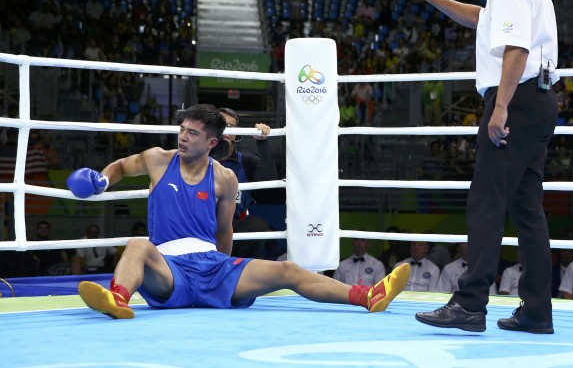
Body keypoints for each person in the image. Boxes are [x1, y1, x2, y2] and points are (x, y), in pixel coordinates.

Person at [67, 104, 409, 319]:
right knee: (137, 245)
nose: (183, 137)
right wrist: (102, 180)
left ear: (212, 143)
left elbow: (224, 230)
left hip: (212, 266)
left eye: (192, 133)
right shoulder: (158, 159)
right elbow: (121, 166)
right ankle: (117, 299)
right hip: (168, 269)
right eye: (182, 130)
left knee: (288, 269)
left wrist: (221, 268)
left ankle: (368, 296)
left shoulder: (225, 179)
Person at [408, 0, 558, 334]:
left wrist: (501, 106)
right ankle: (536, 312)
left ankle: (470, 304)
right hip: (538, 99)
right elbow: (482, 19)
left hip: (518, 98)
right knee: (526, 209)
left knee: (486, 200)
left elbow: (516, 48)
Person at [216, 107, 278, 259]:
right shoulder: (198, 157)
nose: (226, 130)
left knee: (257, 225)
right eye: (221, 124)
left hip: (234, 225)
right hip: (201, 225)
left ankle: (240, 268)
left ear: (237, 134)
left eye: (231, 126)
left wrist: (262, 142)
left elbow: (270, 182)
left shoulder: (246, 161)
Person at [433, 243, 498, 294]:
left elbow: (491, 295)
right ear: (459, 247)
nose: (468, 246)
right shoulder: (449, 268)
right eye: (465, 243)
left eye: (471, 242)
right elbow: (441, 293)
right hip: (454, 305)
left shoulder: (486, 269)